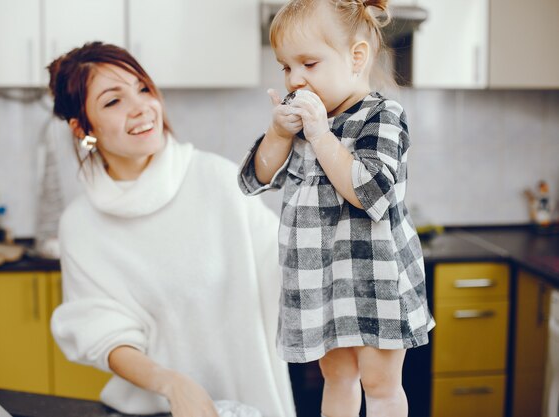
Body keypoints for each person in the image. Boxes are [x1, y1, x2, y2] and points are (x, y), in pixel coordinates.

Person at [47, 41, 296, 417]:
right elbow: (105, 336)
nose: (141, 107)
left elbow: (286, 267)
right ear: (83, 128)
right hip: (153, 411)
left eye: (143, 89)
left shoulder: (216, 179)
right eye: (113, 101)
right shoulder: (81, 225)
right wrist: (172, 384)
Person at [237, 1, 435, 417]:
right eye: (286, 67)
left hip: (373, 278)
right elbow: (254, 178)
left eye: (308, 63)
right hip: (319, 279)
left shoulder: (381, 116)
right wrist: (277, 132)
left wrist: (321, 135)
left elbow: (370, 193)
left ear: (356, 57)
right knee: (336, 379)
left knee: (381, 386)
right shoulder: (305, 122)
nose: (295, 79)